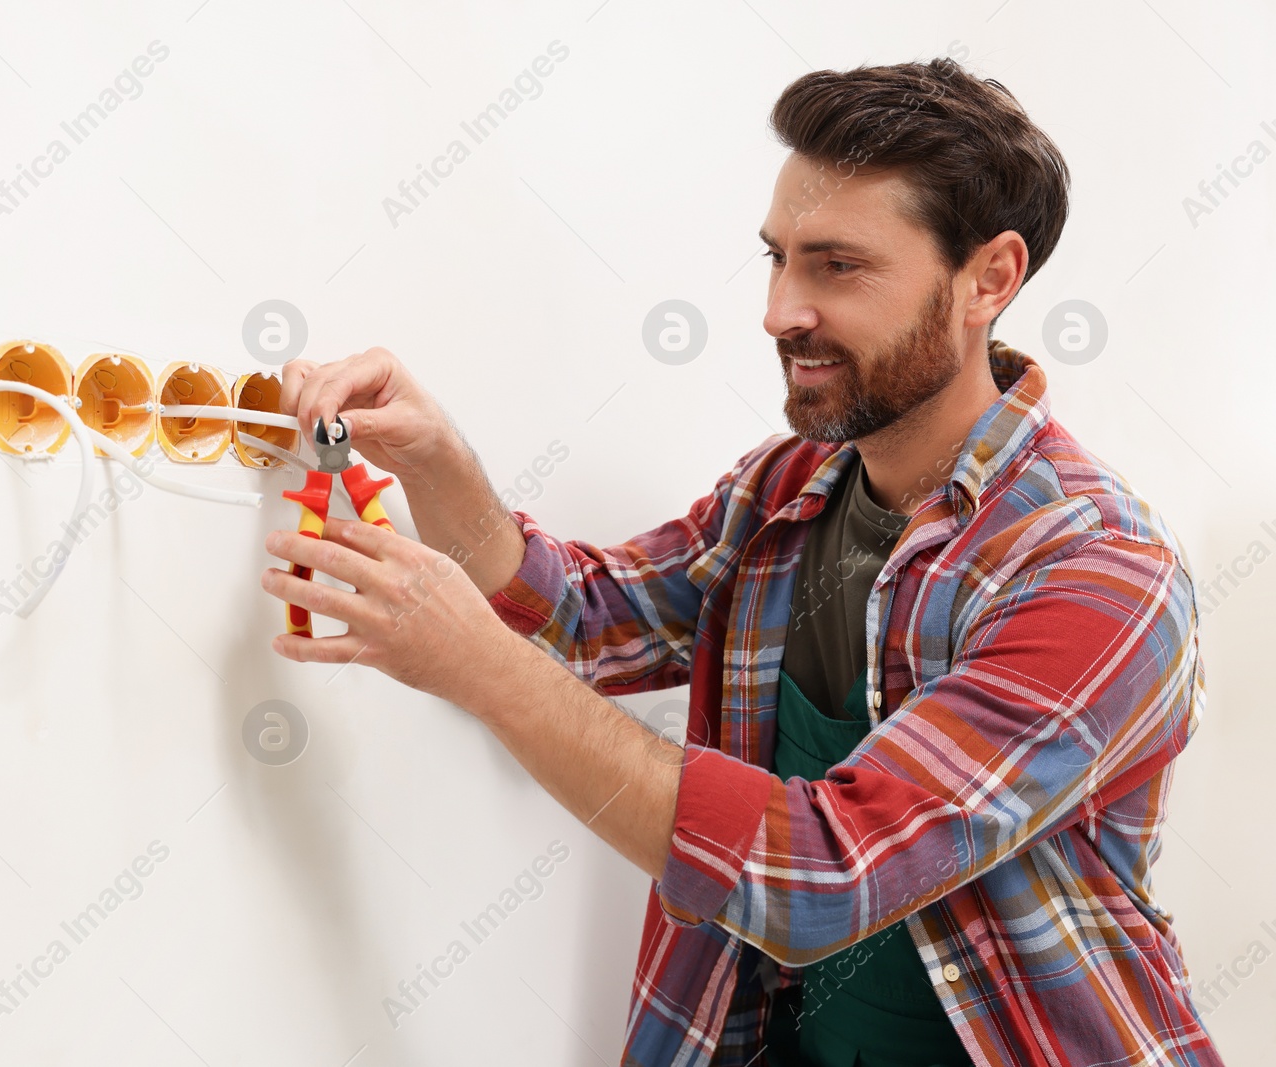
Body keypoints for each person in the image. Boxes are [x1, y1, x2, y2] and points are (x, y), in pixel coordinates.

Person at [260, 57, 1223, 1067]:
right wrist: (436, 457)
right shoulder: (788, 488)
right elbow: (584, 617)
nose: (778, 310)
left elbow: (821, 872)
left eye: (836, 266)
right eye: (778, 257)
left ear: (988, 279)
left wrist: (475, 666)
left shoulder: (1097, 571)